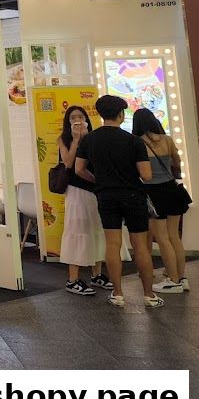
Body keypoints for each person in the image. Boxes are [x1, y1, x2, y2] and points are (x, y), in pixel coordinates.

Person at [75, 95, 162, 308]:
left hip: (105, 195)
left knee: (112, 245)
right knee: (140, 245)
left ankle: (117, 293)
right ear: (121, 114)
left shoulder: (90, 139)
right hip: (133, 195)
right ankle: (149, 295)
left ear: (100, 114)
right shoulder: (133, 141)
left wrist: (98, 180)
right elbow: (147, 175)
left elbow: (79, 169)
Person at [56, 106, 111, 295]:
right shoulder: (63, 139)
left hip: (95, 189)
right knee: (77, 230)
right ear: (68, 121)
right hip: (75, 190)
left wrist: (87, 139)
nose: (77, 120)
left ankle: (97, 274)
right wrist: (77, 140)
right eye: (73, 117)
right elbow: (69, 163)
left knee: (96, 230)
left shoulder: (94, 137)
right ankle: (73, 279)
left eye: (81, 116)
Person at [132, 108, 188, 293]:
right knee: (174, 237)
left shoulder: (139, 143)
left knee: (162, 238)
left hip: (154, 193)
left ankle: (172, 280)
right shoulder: (167, 139)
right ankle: (182, 277)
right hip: (172, 189)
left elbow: (139, 171)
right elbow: (176, 162)